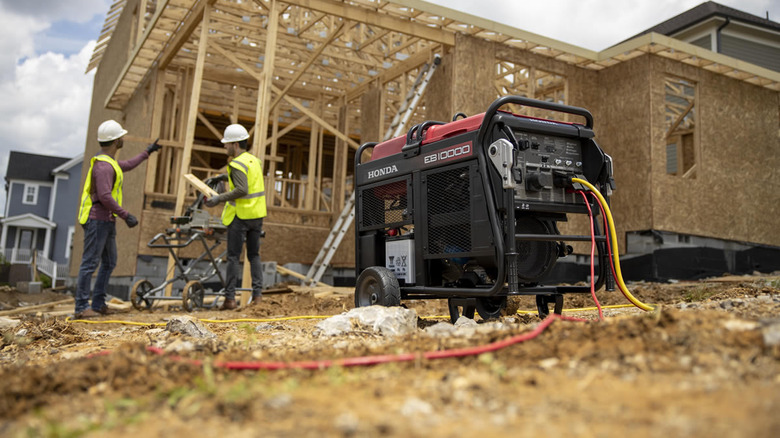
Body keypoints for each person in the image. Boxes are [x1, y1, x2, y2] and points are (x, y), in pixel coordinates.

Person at [74, 120, 161, 318]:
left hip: (106, 221)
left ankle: (97, 304)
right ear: (115, 141)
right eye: (120, 136)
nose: (123, 138)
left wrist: (148, 151)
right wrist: (126, 215)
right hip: (98, 220)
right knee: (89, 264)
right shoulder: (103, 167)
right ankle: (81, 308)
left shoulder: (110, 162)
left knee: (109, 261)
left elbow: (128, 165)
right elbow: (104, 196)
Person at [204, 124, 267, 310]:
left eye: (227, 144)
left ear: (235, 144)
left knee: (233, 257)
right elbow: (246, 179)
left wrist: (218, 199)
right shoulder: (254, 161)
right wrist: (223, 178)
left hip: (240, 216)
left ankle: (230, 299)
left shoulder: (235, 164)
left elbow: (242, 189)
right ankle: (257, 297)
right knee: (254, 256)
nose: (225, 147)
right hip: (256, 215)